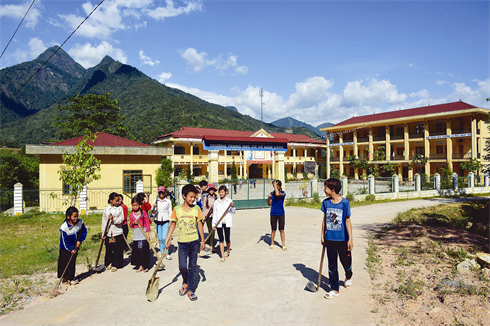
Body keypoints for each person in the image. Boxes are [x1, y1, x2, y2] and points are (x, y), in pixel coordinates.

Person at [165, 184, 205, 301]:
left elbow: (200, 224)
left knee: (192, 267)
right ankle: (186, 281)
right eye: (191, 197)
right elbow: (172, 224)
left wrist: (202, 240)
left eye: (195, 197)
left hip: (194, 242)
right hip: (182, 243)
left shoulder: (197, 209)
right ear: (184, 196)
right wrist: (168, 238)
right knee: (182, 266)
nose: (193, 199)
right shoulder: (177, 209)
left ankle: (191, 289)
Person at [321, 178, 353, 299]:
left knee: (346, 262)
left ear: (333, 190)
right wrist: (322, 235)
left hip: (343, 239)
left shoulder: (345, 203)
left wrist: (350, 239)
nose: (324, 190)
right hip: (330, 239)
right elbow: (324, 220)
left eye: (326, 188)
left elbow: (348, 221)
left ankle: (349, 275)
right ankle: (334, 289)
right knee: (332, 265)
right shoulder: (326, 203)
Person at [58, 206, 87, 285]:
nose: (76, 218)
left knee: (72, 263)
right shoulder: (64, 227)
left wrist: (80, 240)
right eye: (74, 217)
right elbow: (64, 241)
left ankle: (71, 278)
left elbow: (84, 231)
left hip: (75, 246)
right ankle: (64, 278)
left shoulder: (80, 222)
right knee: (63, 263)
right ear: (68, 217)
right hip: (65, 248)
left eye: (77, 216)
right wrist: (71, 249)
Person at [102, 192, 125, 272]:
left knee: (117, 249)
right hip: (109, 232)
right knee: (109, 248)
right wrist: (103, 233)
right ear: (111, 200)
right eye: (116, 200)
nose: (118, 202)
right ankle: (108, 263)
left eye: (119, 200)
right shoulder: (106, 210)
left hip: (117, 231)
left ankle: (116, 264)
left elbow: (121, 219)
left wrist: (114, 219)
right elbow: (104, 222)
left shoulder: (120, 209)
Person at [212, 185, 236, 262]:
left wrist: (232, 206)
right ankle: (222, 255)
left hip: (227, 222)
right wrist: (213, 224)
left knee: (227, 238)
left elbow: (233, 212)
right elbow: (215, 213)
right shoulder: (216, 202)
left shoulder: (229, 201)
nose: (221, 193)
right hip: (219, 223)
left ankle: (228, 250)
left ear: (226, 192)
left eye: (222, 192)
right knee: (221, 239)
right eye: (220, 192)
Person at [129, 196, 151, 272]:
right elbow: (131, 225)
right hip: (136, 235)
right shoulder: (131, 215)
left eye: (136, 205)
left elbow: (147, 223)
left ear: (139, 205)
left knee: (144, 251)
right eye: (133, 205)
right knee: (138, 251)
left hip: (143, 234)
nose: (135, 207)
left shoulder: (143, 213)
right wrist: (133, 223)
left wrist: (147, 233)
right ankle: (140, 265)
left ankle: (145, 266)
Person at [153, 186, 173, 260]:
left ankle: (166, 252)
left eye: (162, 192)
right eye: (160, 192)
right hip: (157, 220)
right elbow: (153, 212)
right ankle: (162, 252)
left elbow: (170, 211)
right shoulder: (155, 201)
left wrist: (170, 221)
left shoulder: (168, 201)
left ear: (165, 193)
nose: (161, 194)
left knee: (165, 237)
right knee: (160, 238)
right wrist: (154, 207)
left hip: (165, 220)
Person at [267, 180, 286, 250]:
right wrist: (269, 198)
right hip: (273, 214)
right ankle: (272, 243)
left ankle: (283, 244)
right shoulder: (272, 193)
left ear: (279, 186)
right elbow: (269, 204)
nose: (275, 187)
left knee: (281, 230)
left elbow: (278, 194)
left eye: (277, 186)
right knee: (273, 230)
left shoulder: (283, 193)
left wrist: (275, 186)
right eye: (275, 186)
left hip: (281, 213)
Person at [202, 183, 217, 252]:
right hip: (208, 215)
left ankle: (212, 244)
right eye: (210, 190)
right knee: (210, 229)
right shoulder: (206, 198)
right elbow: (204, 207)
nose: (211, 191)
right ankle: (211, 243)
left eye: (212, 190)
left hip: (214, 215)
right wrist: (204, 216)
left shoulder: (216, 197)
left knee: (213, 229)